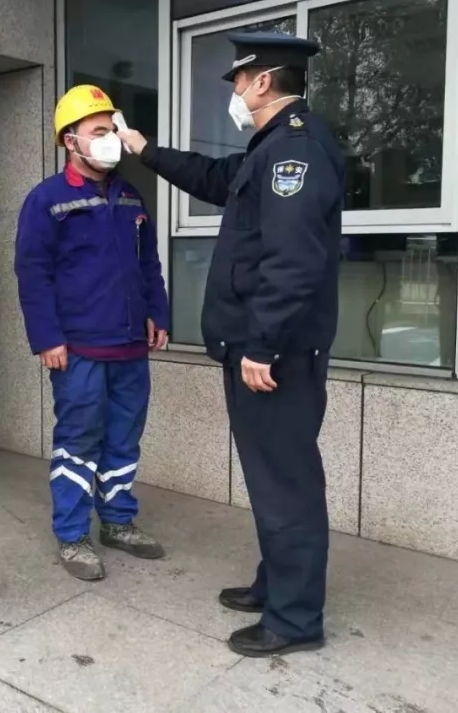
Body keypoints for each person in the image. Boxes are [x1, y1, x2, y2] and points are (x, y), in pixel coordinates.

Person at [117, 33, 344, 658]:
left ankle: (295, 619)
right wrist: (145, 149)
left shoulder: (295, 152)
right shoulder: (269, 148)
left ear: (263, 82)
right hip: (262, 349)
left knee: (285, 484)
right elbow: (216, 178)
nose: (236, 92)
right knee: (272, 480)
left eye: (239, 81)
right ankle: (277, 587)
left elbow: (293, 263)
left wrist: (262, 346)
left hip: (274, 357)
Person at [15, 85, 170, 581]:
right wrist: (46, 338)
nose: (111, 139)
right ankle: (73, 534)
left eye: (112, 130)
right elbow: (32, 274)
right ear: (70, 141)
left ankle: (118, 521)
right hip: (78, 347)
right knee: (79, 439)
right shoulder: (46, 199)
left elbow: (149, 263)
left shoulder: (130, 194)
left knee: (124, 437)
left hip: (130, 345)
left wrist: (158, 312)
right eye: (99, 131)